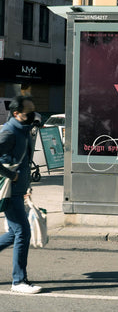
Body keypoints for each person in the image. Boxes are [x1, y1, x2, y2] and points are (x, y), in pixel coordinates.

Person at [0, 95, 42, 294]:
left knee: (14, 233)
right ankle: (18, 281)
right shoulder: (9, 132)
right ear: (16, 114)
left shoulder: (24, 130)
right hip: (9, 192)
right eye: (29, 112)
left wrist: (26, 185)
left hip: (18, 190)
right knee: (23, 232)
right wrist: (13, 176)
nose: (33, 115)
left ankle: (19, 279)